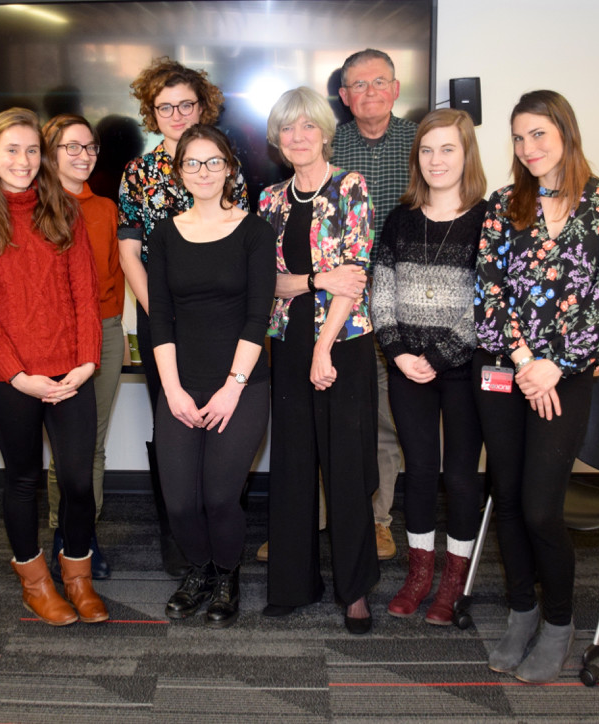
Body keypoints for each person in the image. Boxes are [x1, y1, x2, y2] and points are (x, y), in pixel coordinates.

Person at [473, 90, 599, 683]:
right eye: (518, 138)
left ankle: (560, 625)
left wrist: (554, 367)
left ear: (565, 131)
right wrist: (523, 360)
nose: (528, 148)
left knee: (542, 507)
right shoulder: (502, 205)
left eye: (538, 134)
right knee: (507, 497)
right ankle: (522, 611)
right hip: (503, 370)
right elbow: (488, 292)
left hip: (565, 378)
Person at [0, 107, 108, 627]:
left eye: (30, 150)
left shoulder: (62, 211)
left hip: (71, 372)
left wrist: (88, 360)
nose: (22, 161)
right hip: (10, 378)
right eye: (11, 150)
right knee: (22, 479)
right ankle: (36, 583)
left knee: (76, 479)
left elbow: (85, 296)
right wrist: (19, 375)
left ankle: (78, 579)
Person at [118, 57, 249, 576]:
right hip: (161, 320)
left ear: (203, 105)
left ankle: (223, 539)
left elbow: (245, 245)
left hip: (225, 322)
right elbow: (129, 252)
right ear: (152, 113)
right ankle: (182, 544)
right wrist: (163, 316)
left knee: (226, 424)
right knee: (172, 423)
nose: (175, 114)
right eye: (164, 107)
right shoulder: (138, 173)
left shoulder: (224, 164)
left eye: (185, 104)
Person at [259, 87, 379, 635]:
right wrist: (314, 280)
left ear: (325, 133)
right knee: (291, 464)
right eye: (289, 129)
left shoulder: (351, 187)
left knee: (346, 470)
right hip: (286, 347)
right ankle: (292, 583)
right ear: (278, 140)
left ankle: (355, 591)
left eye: (309, 126)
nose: (299, 137)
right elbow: (267, 285)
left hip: (343, 347)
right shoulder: (269, 202)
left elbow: (353, 277)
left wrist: (324, 347)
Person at [148, 125, 275, 628]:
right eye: (192, 163)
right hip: (181, 380)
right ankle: (198, 569)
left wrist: (231, 388)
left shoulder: (254, 231)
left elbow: (256, 316)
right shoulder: (163, 233)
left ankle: (226, 574)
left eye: (213, 162)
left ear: (230, 168)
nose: (203, 172)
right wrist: (172, 389)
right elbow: (160, 318)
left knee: (221, 495)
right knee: (179, 500)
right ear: (180, 172)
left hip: (242, 384)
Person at [372, 109, 487, 625]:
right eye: (426, 150)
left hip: (464, 370)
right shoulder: (400, 218)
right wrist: (398, 352)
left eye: (447, 149)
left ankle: (453, 582)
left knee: (461, 477)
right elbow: (380, 290)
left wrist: (436, 357)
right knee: (418, 472)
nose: (436, 160)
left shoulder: (491, 220)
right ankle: (418, 575)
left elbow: (488, 303)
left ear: (466, 155)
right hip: (404, 368)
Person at [332, 48, 418, 561]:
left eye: (377, 82)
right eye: (357, 85)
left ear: (395, 87)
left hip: (398, 308)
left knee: (386, 421)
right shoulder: (327, 143)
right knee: (330, 418)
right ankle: (319, 517)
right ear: (343, 97)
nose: (368, 92)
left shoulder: (419, 144)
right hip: (334, 306)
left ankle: (379, 520)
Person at [42, 113, 125, 580]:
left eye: (90, 147)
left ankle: (84, 533)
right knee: (66, 448)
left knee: (92, 444)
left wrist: (109, 332)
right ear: (50, 152)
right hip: (53, 338)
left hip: (105, 332)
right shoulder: (32, 208)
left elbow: (113, 279)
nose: (84, 156)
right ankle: (61, 529)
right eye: (72, 147)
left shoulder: (104, 209)